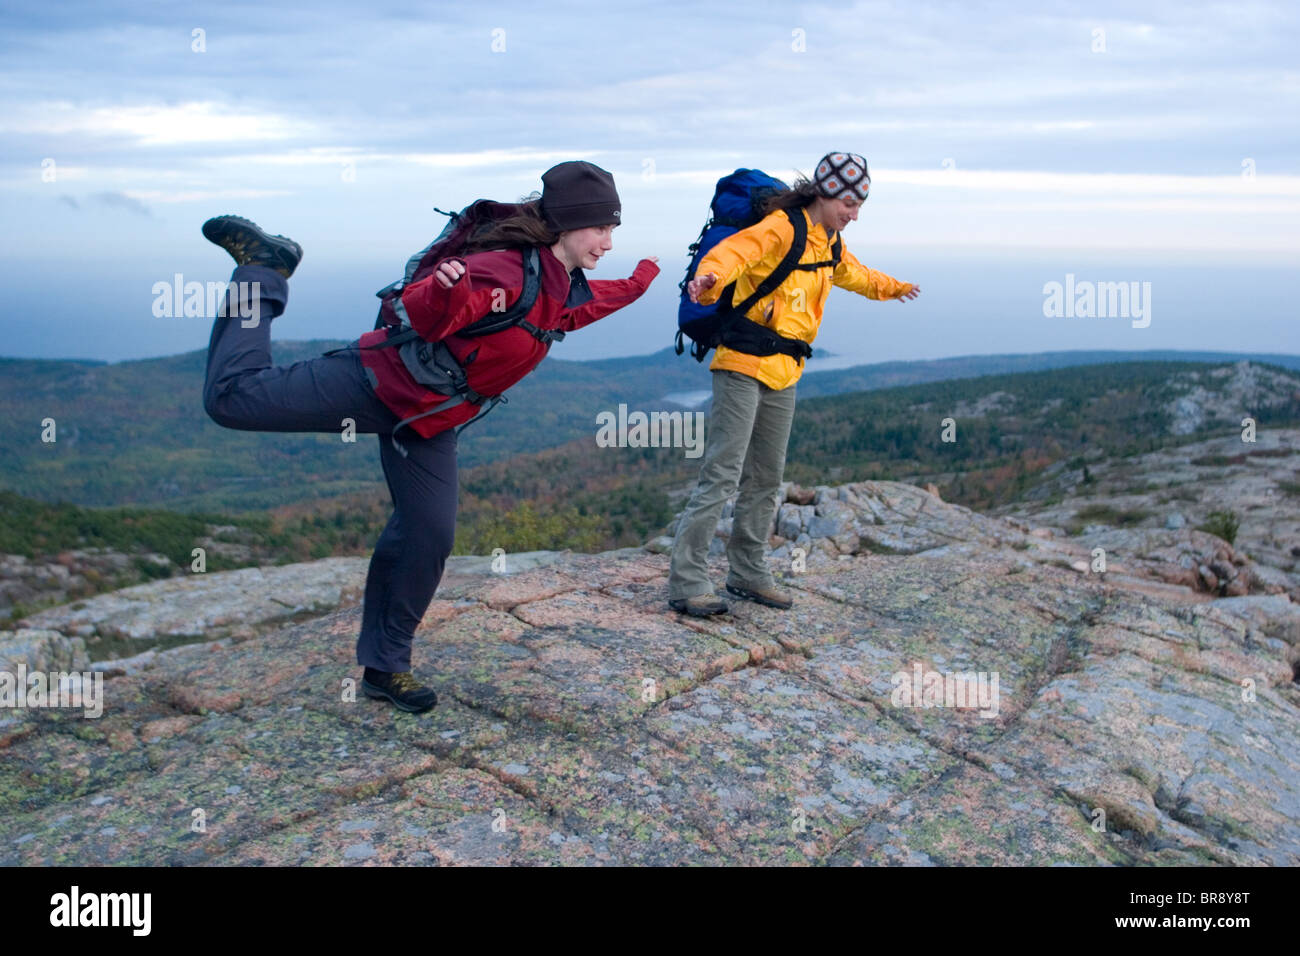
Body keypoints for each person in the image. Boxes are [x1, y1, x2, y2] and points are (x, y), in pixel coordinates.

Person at [201, 161, 660, 711]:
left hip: (428, 420)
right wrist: (442, 294)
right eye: (601, 229)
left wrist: (642, 280)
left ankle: (385, 667)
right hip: (373, 384)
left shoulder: (556, 284)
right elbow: (429, 314)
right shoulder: (501, 272)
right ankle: (264, 271)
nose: (608, 242)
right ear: (566, 224)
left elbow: (581, 309)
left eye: (614, 230)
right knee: (232, 398)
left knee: (428, 534)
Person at [667, 151, 920, 616]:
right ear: (825, 192)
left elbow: (857, 275)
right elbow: (737, 252)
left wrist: (895, 287)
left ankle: (747, 571)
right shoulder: (784, 227)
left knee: (767, 477)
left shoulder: (829, 243)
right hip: (741, 362)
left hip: (785, 371)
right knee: (723, 473)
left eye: (860, 205)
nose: (854, 214)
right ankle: (687, 581)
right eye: (849, 203)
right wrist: (711, 275)